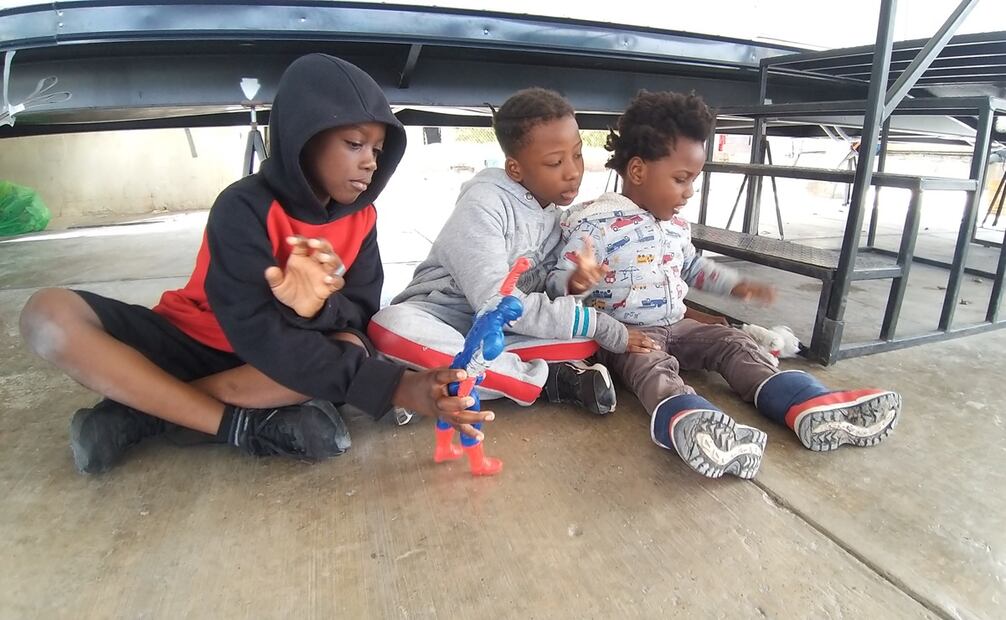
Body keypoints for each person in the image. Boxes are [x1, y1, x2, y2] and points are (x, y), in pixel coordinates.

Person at [19, 54, 487, 474]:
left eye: (377, 151)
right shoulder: (242, 206)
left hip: (274, 367)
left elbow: (360, 313)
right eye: (353, 143)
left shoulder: (362, 218)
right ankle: (240, 428)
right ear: (303, 135)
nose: (369, 162)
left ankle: (140, 411)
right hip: (194, 341)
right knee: (47, 314)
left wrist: (315, 310)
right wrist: (397, 387)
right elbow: (253, 328)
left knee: (352, 344)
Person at [550, 90, 902, 479]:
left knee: (733, 342)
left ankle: (805, 404)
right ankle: (689, 418)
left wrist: (735, 286)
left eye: (694, 180)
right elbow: (557, 287)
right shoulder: (594, 223)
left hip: (678, 324)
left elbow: (692, 267)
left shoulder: (676, 226)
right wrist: (577, 280)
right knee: (653, 368)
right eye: (681, 179)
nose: (689, 192)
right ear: (637, 171)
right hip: (625, 335)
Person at [368, 87, 654, 415]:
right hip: (441, 321)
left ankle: (454, 378)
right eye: (555, 162)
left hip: (503, 335)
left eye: (576, 154)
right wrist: (598, 323)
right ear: (515, 169)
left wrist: (573, 284)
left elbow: (545, 292)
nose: (573, 171)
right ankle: (542, 382)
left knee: (585, 343)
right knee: (387, 326)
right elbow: (493, 304)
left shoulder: (558, 220)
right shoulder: (484, 204)